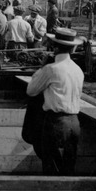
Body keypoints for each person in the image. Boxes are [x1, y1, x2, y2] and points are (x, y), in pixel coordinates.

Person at [25, 28, 84, 175]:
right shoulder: (78, 70)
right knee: (68, 166)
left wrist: (42, 67)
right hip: (74, 122)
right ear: (72, 48)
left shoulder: (51, 69)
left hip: (55, 122)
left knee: (52, 165)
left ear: (55, 47)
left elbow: (31, 90)